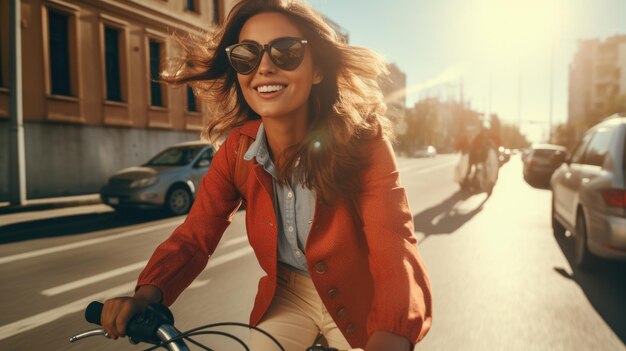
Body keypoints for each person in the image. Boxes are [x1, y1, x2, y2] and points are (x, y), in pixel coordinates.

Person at [100, 1, 432, 350]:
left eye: (286, 52)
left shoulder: (364, 139)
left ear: (317, 70)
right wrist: (148, 294)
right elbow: (195, 236)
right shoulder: (236, 151)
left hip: (362, 294)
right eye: (247, 55)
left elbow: (394, 242)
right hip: (288, 297)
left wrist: (393, 329)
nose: (264, 68)